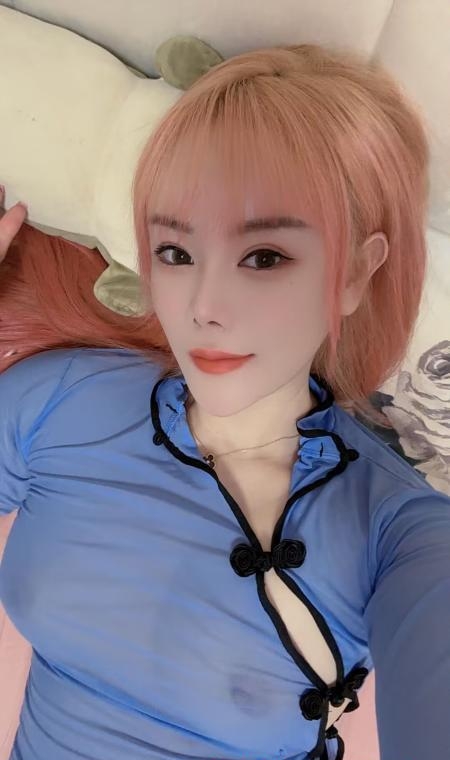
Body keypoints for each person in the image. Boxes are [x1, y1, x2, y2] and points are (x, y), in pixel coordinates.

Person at [0, 43, 449, 760]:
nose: (203, 306)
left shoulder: (399, 529)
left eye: (264, 257)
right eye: (176, 253)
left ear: (355, 274)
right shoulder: (62, 398)